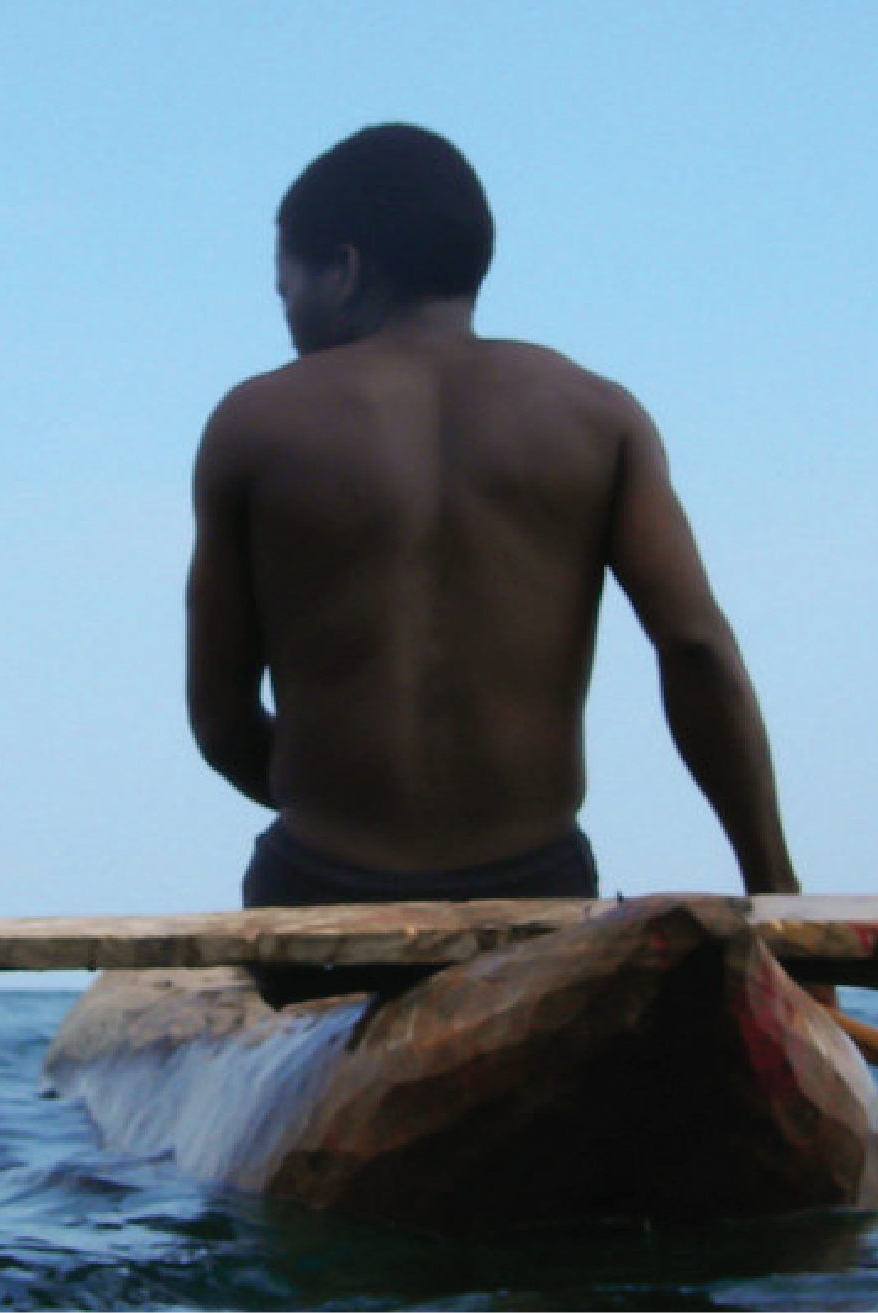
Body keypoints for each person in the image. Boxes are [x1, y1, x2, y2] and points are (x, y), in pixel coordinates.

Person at [186, 124, 803, 940]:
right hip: (535, 893)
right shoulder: (599, 414)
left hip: (319, 890)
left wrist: (354, 816)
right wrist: (776, 891)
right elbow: (696, 649)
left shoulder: (253, 423)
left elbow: (222, 720)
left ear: (344, 271)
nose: (289, 318)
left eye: (286, 290)